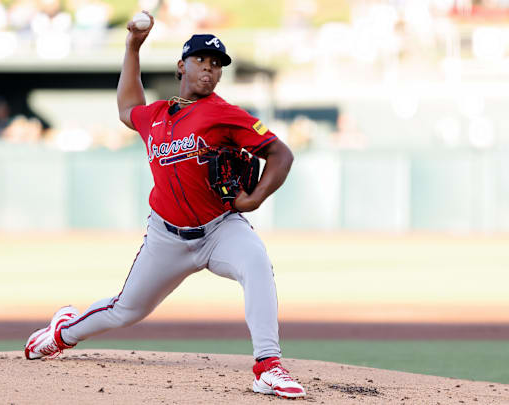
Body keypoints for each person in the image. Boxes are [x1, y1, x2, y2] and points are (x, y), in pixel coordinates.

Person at [24, 12, 306, 399]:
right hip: (166, 237)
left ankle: (267, 366)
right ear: (181, 66)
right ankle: (62, 333)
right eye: (201, 61)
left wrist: (254, 200)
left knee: (256, 264)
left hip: (220, 228)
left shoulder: (224, 113)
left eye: (216, 65)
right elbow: (126, 108)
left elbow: (280, 153)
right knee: (126, 310)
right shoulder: (156, 115)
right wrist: (133, 47)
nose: (209, 70)